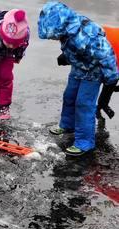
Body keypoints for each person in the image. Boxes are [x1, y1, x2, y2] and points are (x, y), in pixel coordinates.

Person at [38, 1, 118, 157]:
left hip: (93, 73)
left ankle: (85, 142)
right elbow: (72, 48)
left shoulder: (87, 34)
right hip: (78, 68)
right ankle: (68, 125)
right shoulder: (67, 32)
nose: (53, 39)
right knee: (69, 96)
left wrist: (111, 76)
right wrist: (66, 57)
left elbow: (106, 53)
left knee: (84, 104)